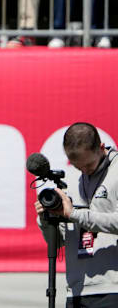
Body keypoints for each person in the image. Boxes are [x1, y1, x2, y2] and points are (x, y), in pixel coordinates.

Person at [35, 122, 118, 307]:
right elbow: (58, 242)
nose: (84, 170)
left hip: (113, 288)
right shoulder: (69, 179)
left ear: (101, 147)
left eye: (88, 164)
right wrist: (46, 220)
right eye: (77, 166)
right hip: (77, 289)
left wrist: (75, 214)